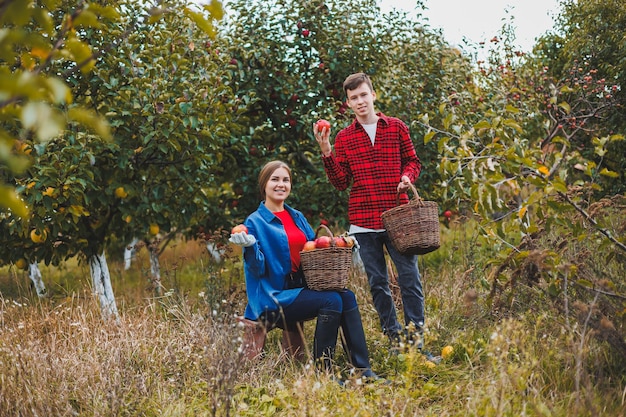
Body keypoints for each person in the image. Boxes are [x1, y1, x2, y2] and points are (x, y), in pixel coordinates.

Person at [313, 73, 435, 358]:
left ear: (373, 95)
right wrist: (326, 150)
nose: (360, 101)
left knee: (409, 280)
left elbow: (413, 161)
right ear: (348, 103)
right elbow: (341, 182)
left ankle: (415, 342)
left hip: (398, 218)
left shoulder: (396, 127)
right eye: (354, 98)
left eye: (363, 95)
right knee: (378, 283)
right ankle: (395, 340)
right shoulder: (344, 138)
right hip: (363, 222)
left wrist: (407, 177)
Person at [229, 160, 379, 379]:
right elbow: (256, 269)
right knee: (332, 300)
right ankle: (323, 373)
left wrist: (341, 244)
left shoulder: (296, 216)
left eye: (285, 180)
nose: (281, 184)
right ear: (264, 184)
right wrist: (250, 247)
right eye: (275, 179)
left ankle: (363, 369)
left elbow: (313, 247)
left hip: (299, 289)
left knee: (346, 296)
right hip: (272, 297)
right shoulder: (255, 221)